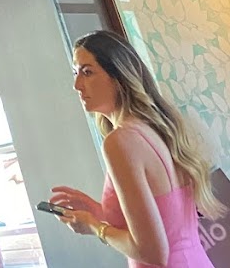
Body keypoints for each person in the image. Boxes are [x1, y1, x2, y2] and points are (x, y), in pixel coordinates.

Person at [50, 30, 222, 266]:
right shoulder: (155, 128)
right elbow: (165, 220)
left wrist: (94, 226)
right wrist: (98, 212)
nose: (76, 85)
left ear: (118, 76)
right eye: (75, 72)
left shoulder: (120, 141)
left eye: (87, 72)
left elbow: (152, 252)